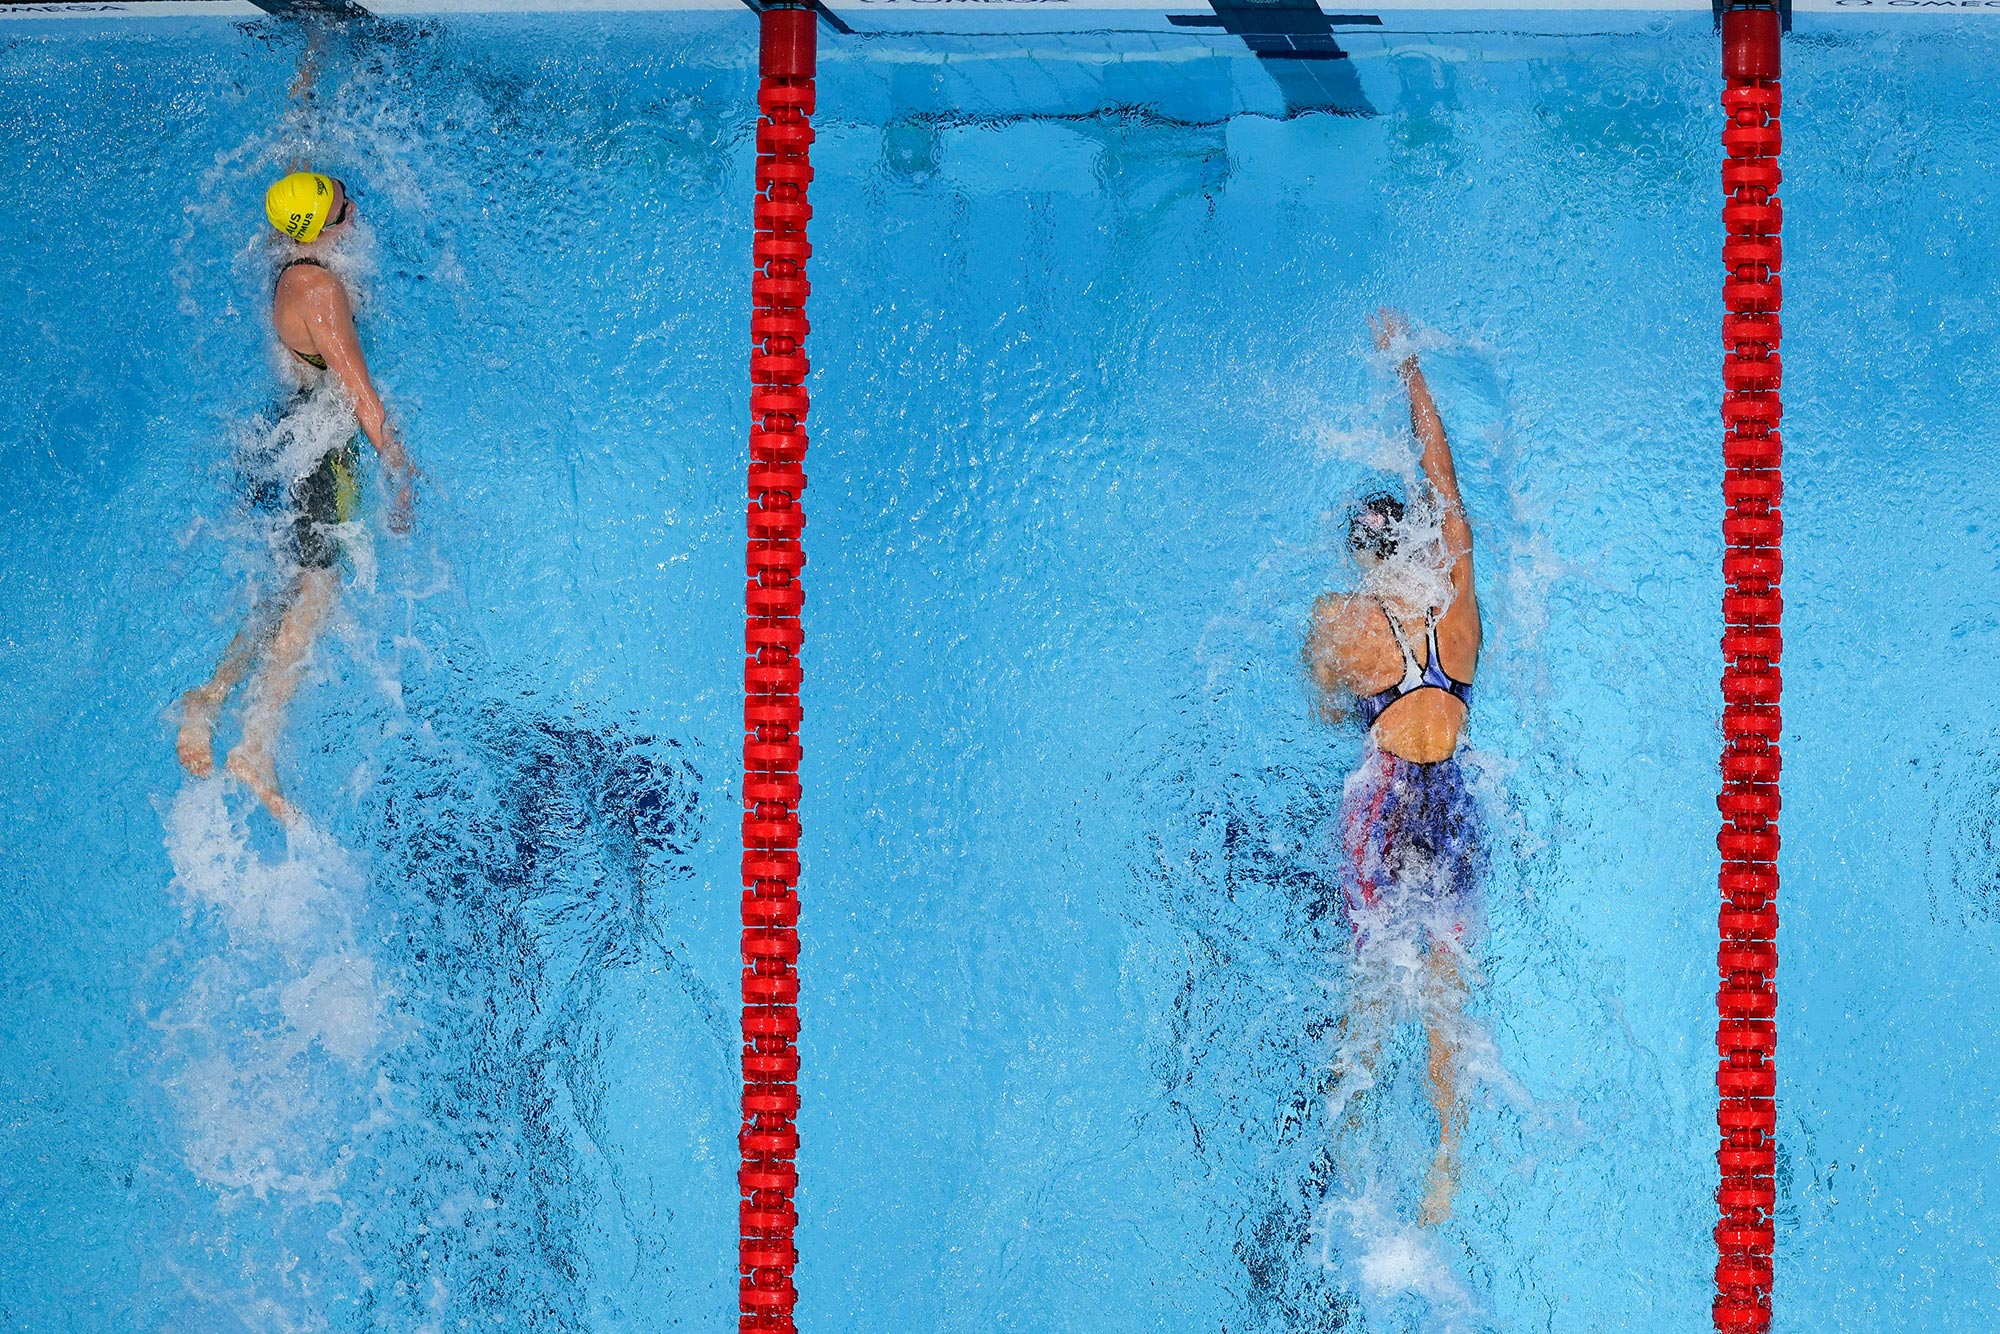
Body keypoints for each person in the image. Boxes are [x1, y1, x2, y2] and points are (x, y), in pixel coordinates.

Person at [1304, 310, 1481, 1226]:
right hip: (1452, 808)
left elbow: (1328, 709)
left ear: (1359, 556)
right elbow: (1445, 476)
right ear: (1417, 543)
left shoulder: (1343, 621)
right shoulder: (1460, 612)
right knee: (1446, 1000)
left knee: (1369, 986)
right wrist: (1412, 366)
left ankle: (1349, 1151)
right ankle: (1446, 1163)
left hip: (1382, 812)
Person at [175, 170, 414, 822]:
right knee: (317, 590)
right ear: (328, 224)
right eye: (343, 200)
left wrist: (310, 67)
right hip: (320, 450)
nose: (352, 200)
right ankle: (256, 745)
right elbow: (360, 392)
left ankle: (212, 695)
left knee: (286, 584)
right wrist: (403, 472)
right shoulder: (323, 290)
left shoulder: (286, 257)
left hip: (281, 431)